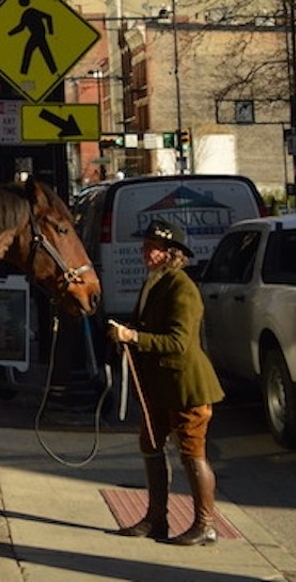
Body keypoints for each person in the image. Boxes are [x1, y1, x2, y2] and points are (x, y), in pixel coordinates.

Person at [107, 217, 224, 547]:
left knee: (192, 453)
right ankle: (157, 518)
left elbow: (178, 342)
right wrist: (125, 332)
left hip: (186, 385)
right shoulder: (155, 281)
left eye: (153, 249)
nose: (146, 253)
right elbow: (149, 325)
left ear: (172, 253)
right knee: (151, 445)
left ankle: (205, 525)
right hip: (158, 387)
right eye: (145, 247)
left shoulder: (182, 287)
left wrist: (134, 336)